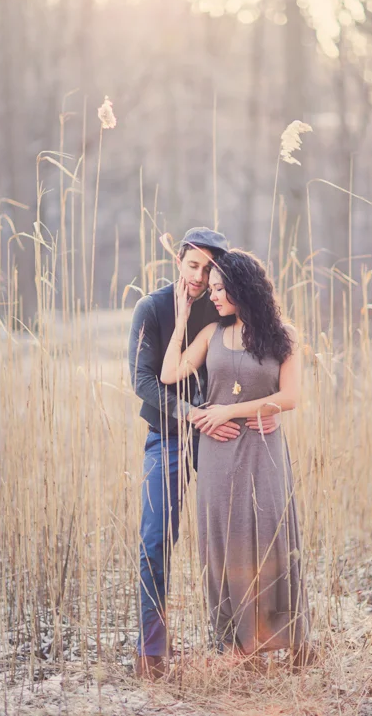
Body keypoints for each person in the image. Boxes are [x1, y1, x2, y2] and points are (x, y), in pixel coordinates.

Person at [128, 227, 282, 679]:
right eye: (192, 266)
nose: (199, 278)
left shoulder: (226, 307)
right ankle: (152, 649)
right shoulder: (152, 308)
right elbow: (143, 381)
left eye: (207, 270)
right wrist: (194, 414)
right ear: (178, 261)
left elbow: (263, 367)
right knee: (155, 539)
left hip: (229, 438)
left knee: (238, 535)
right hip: (170, 436)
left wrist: (268, 408)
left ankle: (245, 640)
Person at [160, 248, 310, 666]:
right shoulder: (210, 334)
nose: (215, 297)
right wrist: (180, 320)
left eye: (222, 289)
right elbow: (169, 374)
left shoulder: (284, 335)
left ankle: (277, 635)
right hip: (217, 453)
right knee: (222, 542)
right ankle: (235, 642)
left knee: (268, 536)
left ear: (245, 287)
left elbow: (290, 397)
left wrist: (235, 410)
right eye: (211, 290)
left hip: (264, 451)